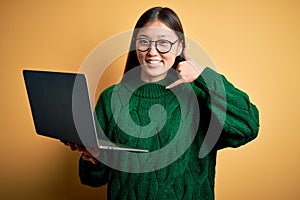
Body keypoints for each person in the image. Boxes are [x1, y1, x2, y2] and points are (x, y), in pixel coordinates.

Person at [63, 7, 259, 200]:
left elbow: (248, 125)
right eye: (144, 42)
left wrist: (204, 76)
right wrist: (93, 157)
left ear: (180, 47)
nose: (152, 52)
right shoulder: (111, 99)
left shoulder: (200, 97)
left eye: (163, 43)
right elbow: (91, 179)